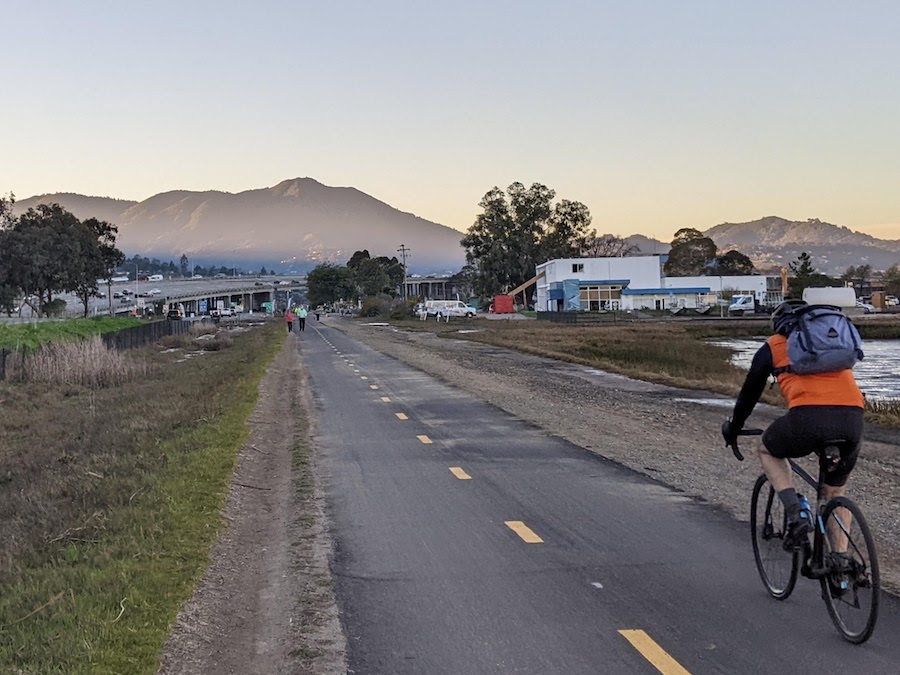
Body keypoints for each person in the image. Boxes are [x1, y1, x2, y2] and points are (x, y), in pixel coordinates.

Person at [722, 299, 865, 549]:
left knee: (767, 449)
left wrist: (735, 427)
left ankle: (795, 512)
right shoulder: (830, 345)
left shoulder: (775, 345)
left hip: (807, 418)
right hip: (852, 418)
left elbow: (749, 393)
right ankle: (841, 562)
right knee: (834, 493)